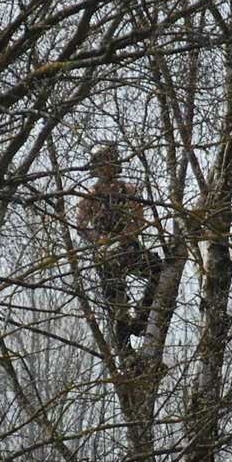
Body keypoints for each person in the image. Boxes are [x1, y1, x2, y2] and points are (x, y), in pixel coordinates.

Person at [76, 143, 161, 342]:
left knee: (157, 269)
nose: (108, 167)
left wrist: (125, 236)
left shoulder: (127, 190)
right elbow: (80, 225)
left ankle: (141, 318)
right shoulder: (91, 194)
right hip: (105, 255)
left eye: (110, 162)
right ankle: (124, 346)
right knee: (117, 304)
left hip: (128, 249)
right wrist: (100, 240)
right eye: (104, 163)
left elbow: (139, 219)